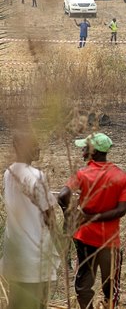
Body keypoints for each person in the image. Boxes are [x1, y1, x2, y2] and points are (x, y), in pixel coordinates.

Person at [58, 133, 126, 309]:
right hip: (110, 241)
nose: (82, 152)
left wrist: (75, 214)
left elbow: (62, 196)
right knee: (111, 285)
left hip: (85, 238)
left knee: (83, 284)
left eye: (84, 149)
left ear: (93, 151)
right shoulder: (121, 176)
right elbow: (122, 210)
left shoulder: (82, 174)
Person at [1, 132, 60, 309]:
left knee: (16, 301)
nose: (38, 148)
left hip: (16, 249)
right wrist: (60, 242)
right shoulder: (36, 176)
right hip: (35, 252)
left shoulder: (9, 172)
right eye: (34, 145)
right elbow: (49, 214)